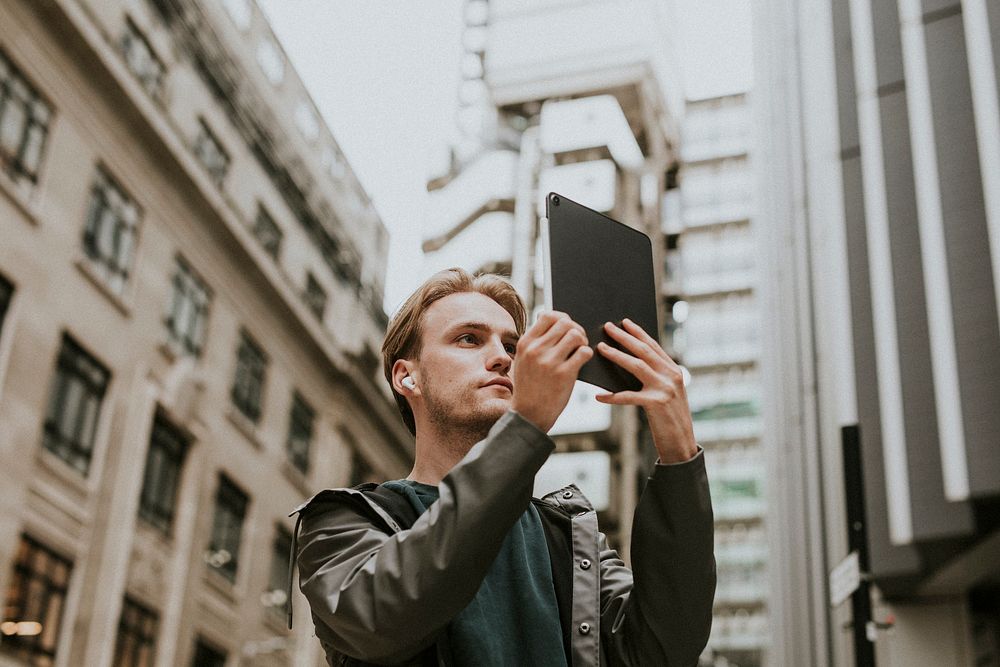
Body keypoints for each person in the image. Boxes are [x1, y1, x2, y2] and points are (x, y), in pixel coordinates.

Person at [289, 268, 715, 666]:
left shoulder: (573, 542)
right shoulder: (340, 522)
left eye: (511, 345)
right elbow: (384, 618)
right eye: (470, 339)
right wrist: (526, 425)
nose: (503, 358)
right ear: (407, 377)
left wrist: (679, 451)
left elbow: (664, 648)